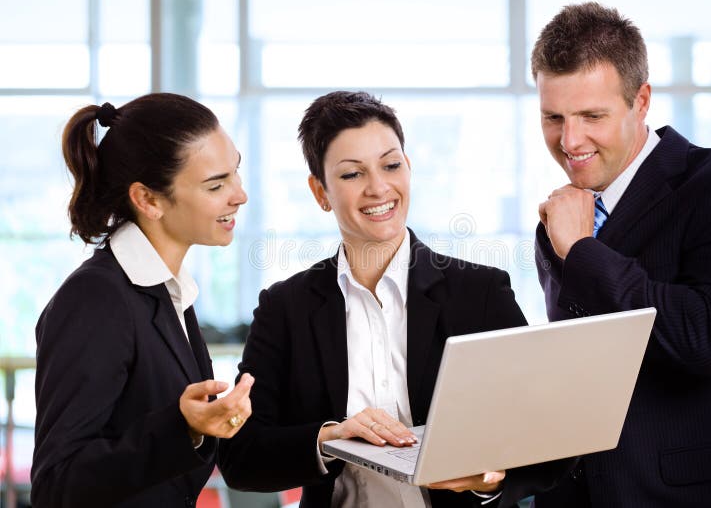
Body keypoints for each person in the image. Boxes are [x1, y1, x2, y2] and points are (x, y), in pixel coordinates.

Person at [218, 91, 572, 507]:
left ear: (409, 168)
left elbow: (548, 439)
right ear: (320, 192)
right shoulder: (286, 308)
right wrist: (327, 439)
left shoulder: (479, 293)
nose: (379, 187)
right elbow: (240, 457)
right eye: (352, 174)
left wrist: (490, 479)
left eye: (391, 165)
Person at [532, 2, 711, 507]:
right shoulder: (560, 218)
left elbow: (707, 338)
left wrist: (582, 250)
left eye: (591, 116)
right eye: (553, 117)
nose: (569, 140)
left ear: (641, 101)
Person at [32, 93, 255, 508]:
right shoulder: (95, 299)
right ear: (148, 199)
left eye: (235, 173)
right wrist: (181, 426)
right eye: (216, 184)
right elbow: (56, 485)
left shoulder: (167, 290)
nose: (239, 195)